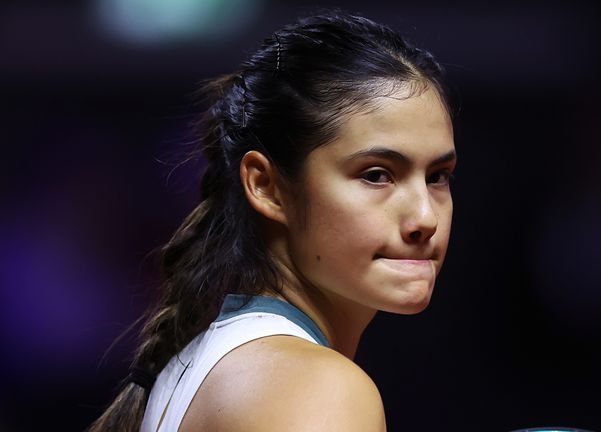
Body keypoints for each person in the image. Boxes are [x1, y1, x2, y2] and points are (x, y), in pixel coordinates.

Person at [89, 10, 456, 432]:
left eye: (437, 177)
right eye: (376, 175)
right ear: (266, 186)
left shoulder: (225, 363)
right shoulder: (313, 387)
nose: (425, 217)